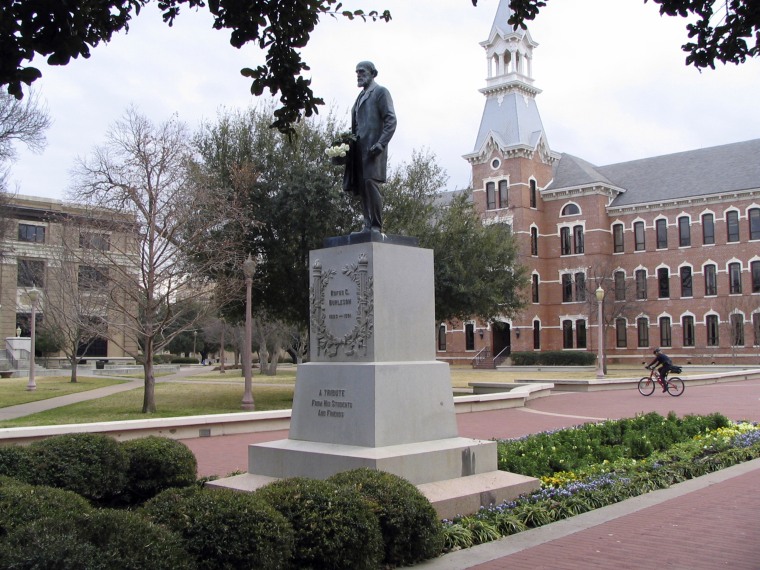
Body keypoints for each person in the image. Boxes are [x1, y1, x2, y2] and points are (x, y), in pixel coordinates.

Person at [343, 60, 397, 233]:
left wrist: (381, 143)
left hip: (373, 149)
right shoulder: (360, 97)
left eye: (362, 71)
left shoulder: (380, 92)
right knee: (362, 186)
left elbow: (391, 120)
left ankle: (375, 226)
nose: (358, 75)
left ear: (373, 73)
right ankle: (367, 225)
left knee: (370, 184)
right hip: (359, 150)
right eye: (356, 72)